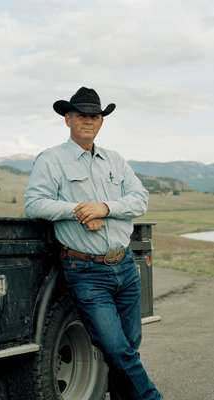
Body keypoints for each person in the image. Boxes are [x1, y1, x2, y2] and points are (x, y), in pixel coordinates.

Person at [24, 87, 163, 400]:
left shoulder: (115, 160)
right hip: (86, 269)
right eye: (81, 115)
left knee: (127, 348)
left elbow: (140, 199)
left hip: (124, 267)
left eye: (95, 116)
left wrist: (104, 207)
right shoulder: (51, 160)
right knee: (115, 347)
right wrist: (76, 210)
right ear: (68, 120)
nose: (89, 120)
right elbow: (34, 204)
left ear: (101, 121)